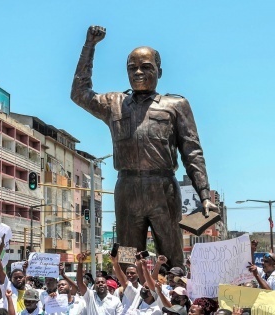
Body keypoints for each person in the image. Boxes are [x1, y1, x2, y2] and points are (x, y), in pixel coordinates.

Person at [71, 25, 217, 269]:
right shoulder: (114, 103)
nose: (138, 72)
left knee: (172, 263)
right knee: (129, 263)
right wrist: (89, 47)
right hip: (127, 191)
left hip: (164, 191)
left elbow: (192, 151)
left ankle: (174, 301)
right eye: (132, 68)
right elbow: (79, 93)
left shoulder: (176, 105)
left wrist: (204, 194)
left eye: (146, 67)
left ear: (159, 70)